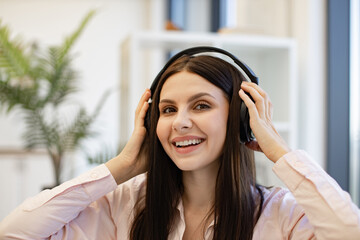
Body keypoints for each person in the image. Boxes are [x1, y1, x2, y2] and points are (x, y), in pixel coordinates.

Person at [0, 48, 359, 240]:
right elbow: (14, 233)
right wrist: (122, 165)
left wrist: (279, 151)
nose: (180, 121)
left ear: (240, 118)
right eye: (168, 109)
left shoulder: (281, 215)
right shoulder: (123, 206)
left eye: (201, 105)